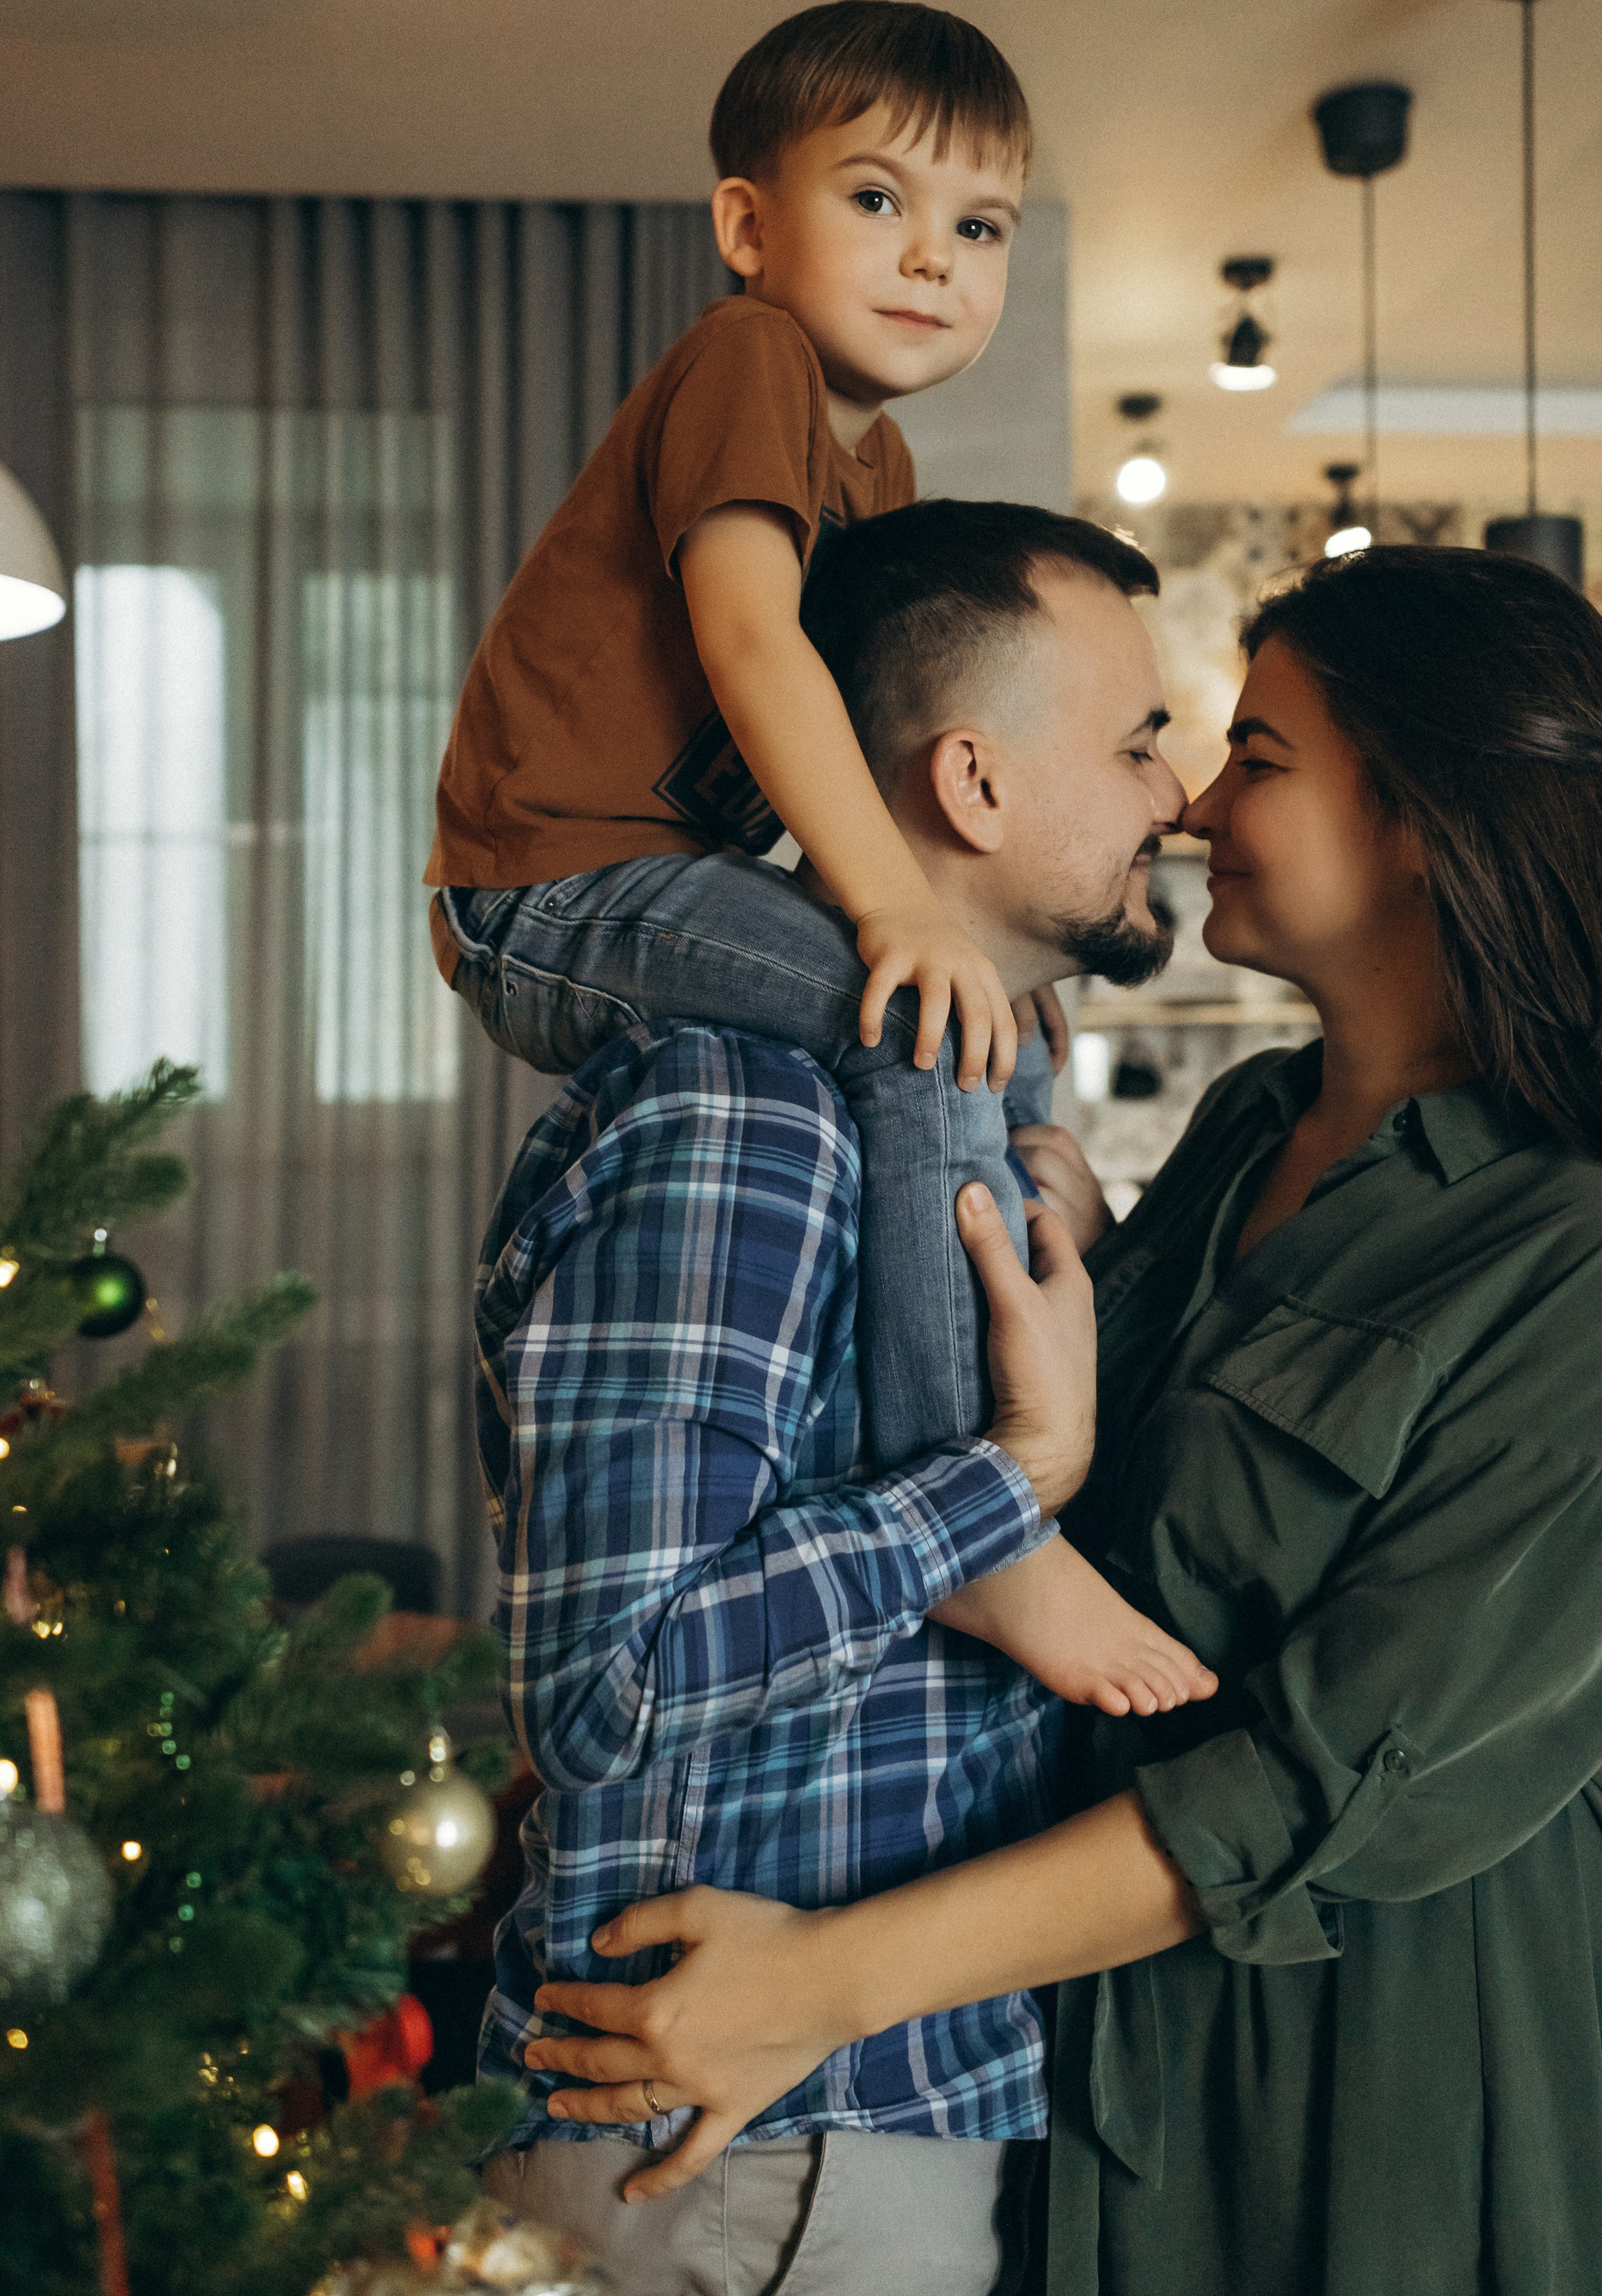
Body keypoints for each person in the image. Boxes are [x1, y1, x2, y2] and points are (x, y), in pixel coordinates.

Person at [522, 545, 1602, 2296]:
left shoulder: (1591, 1257)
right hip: (1090, 2021)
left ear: (1419, 820)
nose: (1188, 805)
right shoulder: (1253, 1130)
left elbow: (1317, 1784)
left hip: (1391, 2048)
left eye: (1253, 757)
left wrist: (828, 1979)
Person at [476, 501, 1213, 2294]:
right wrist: (1015, 1476)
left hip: (840, 2120)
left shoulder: (956, 1117)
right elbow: (603, 1686)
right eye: (1134, 740)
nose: (1175, 790)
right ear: (966, 781)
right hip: (745, 2154)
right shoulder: (750, 1113)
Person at [429, 0, 1162, 1707]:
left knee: (987, 1022)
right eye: (876, 202)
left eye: (976, 226)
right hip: (547, 889)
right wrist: (903, 913)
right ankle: (977, 1528)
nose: (933, 261)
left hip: (644, 886)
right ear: (751, 226)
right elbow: (759, 651)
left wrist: (974, 960)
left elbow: (878, 716)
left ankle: (1042, 1292)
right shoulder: (745, 360)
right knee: (905, 1009)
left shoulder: (876, 462)